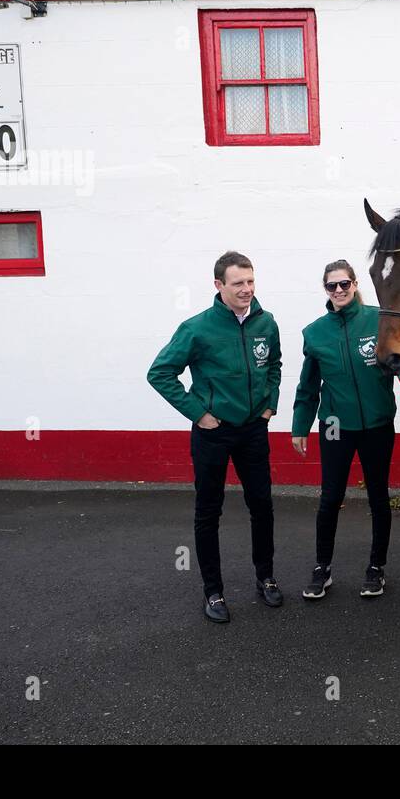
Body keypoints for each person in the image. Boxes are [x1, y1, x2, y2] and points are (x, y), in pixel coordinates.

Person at [147, 251, 283, 623]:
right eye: (238, 283)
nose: (246, 289)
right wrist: (198, 413)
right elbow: (160, 373)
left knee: (262, 506)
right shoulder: (197, 328)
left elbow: (274, 365)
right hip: (213, 433)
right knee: (209, 512)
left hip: (254, 429)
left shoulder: (266, 323)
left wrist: (269, 405)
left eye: (251, 281)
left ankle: (265, 577)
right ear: (218, 285)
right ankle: (214, 592)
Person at [290, 260, 398, 599]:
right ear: (325, 289)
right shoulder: (315, 332)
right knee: (330, 497)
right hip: (335, 425)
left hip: (378, 424)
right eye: (331, 286)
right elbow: (308, 387)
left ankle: (376, 568)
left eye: (344, 284)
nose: (339, 290)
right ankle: (323, 568)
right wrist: (299, 427)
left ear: (354, 284)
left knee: (378, 497)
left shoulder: (379, 319)